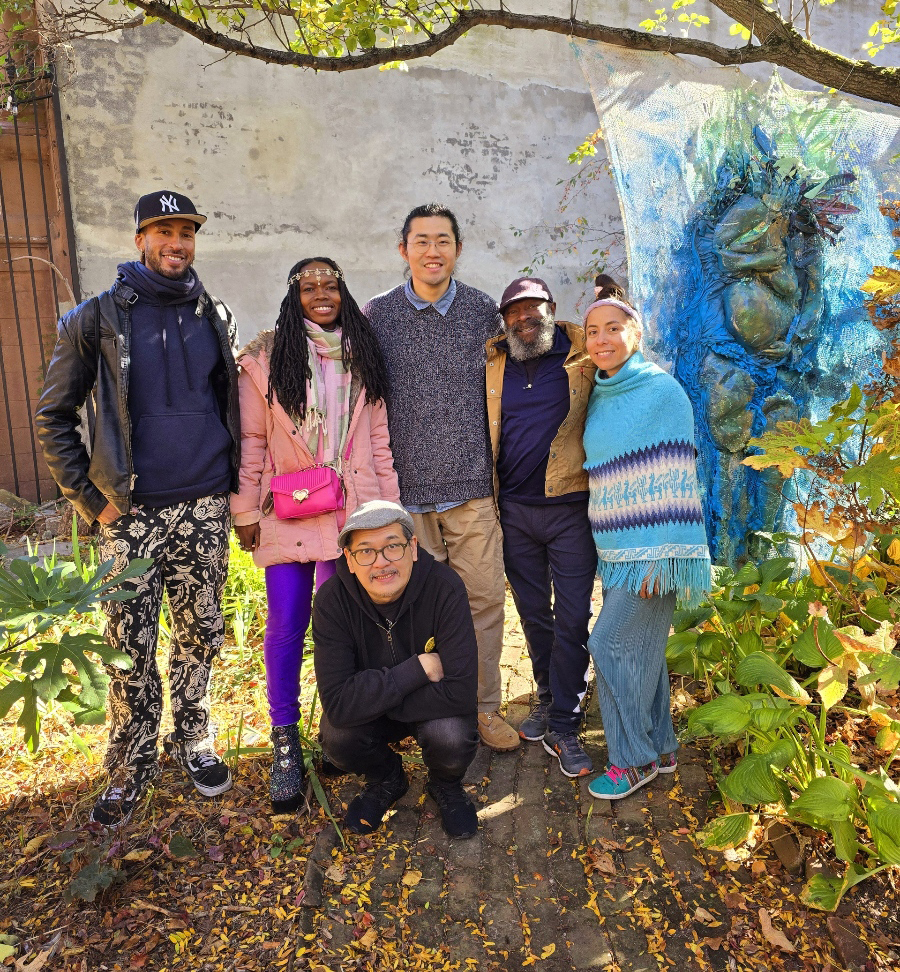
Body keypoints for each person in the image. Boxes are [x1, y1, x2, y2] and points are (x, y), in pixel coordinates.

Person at [35, 190, 241, 827]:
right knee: (129, 642)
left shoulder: (215, 314)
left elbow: (227, 403)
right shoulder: (95, 318)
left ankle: (192, 735)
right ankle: (130, 759)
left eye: (187, 232)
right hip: (130, 513)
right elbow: (54, 416)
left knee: (201, 633)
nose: (176, 243)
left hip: (204, 504)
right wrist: (91, 501)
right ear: (139, 240)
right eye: (163, 231)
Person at [230, 257, 399, 814]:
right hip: (288, 510)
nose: (321, 292)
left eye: (331, 284)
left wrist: (389, 512)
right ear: (293, 295)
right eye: (309, 285)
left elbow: (379, 442)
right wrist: (245, 511)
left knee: (347, 626)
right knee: (285, 625)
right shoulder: (262, 362)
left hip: (352, 513)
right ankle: (284, 744)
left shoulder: (362, 355)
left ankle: (339, 731)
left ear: (343, 293)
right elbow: (251, 443)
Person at [362, 204, 518, 753]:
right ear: (402, 248)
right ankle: (419, 710)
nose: (433, 251)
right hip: (404, 500)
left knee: (482, 603)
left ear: (457, 249)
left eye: (444, 241)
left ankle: (483, 709)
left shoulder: (481, 313)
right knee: (409, 612)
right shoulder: (376, 315)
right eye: (422, 240)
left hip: (472, 493)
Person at [582, 285, 711, 800]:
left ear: (636, 333)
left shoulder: (662, 392)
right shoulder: (597, 394)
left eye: (614, 328)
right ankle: (660, 746)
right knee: (645, 653)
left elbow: (678, 477)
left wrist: (664, 554)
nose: (602, 338)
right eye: (593, 331)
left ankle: (631, 761)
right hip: (615, 553)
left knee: (609, 645)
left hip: (654, 553)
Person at [312, 500, 480, 838]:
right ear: (349, 559)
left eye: (393, 547)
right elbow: (339, 705)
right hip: (407, 701)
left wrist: (374, 697)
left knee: (451, 736)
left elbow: (461, 692)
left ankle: (445, 785)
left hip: (422, 711)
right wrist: (418, 669)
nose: (382, 562)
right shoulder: (332, 600)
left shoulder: (445, 588)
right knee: (337, 738)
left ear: (413, 548)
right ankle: (387, 778)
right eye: (366, 552)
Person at [486, 277, 597, 778]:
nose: (524, 319)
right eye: (514, 312)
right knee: (534, 615)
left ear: (551, 309)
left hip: (571, 508)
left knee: (573, 617)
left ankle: (567, 724)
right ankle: (550, 699)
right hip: (513, 511)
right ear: (505, 320)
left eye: (534, 309)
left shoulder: (581, 360)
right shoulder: (493, 365)